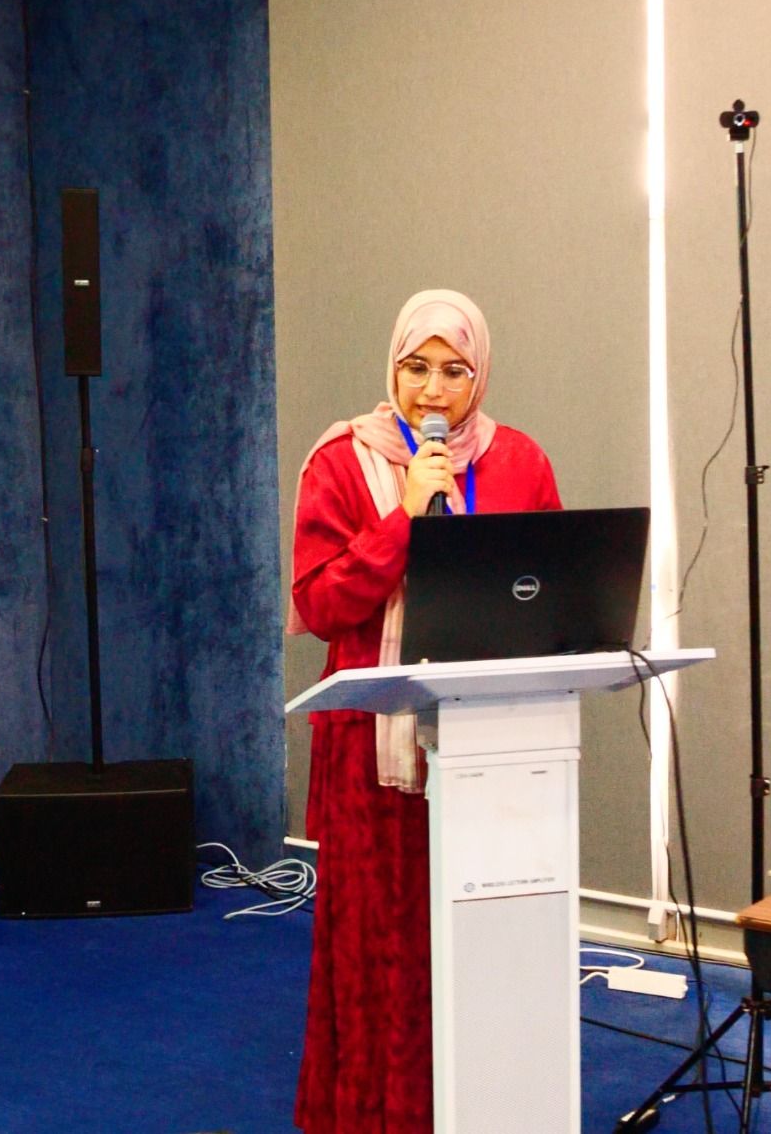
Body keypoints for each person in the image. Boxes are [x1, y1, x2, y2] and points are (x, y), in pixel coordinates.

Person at [288, 289, 561, 1133]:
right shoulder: (341, 462)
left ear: (480, 377)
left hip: (491, 742)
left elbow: (553, 590)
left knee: (485, 934)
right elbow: (320, 604)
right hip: (373, 751)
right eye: (416, 368)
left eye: (453, 371)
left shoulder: (520, 462)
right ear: (393, 369)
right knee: (383, 944)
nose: (433, 391)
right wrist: (402, 517)